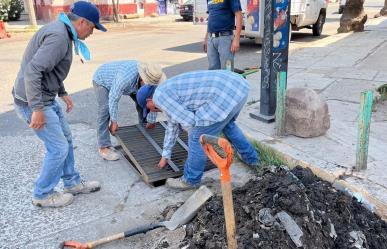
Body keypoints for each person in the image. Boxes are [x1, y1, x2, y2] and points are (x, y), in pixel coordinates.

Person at [12, 1, 106, 208]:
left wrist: (62, 92)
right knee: (58, 148)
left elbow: (50, 69)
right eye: (92, 27)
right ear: (82, 22)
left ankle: (72, 183)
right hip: (34, 101)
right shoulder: (59, 37)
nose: (92, 33)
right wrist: (37, 109)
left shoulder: (63, 31)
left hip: (44, 98)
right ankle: (42, 194)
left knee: (66, 140)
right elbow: (33, 71)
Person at [136, 70, 259, 190]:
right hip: (238, 87)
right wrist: (166, 155)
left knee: (196, 137)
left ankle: (191, 180)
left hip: (224, 95)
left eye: (150, 108)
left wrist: (192, 131)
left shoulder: (159, 98)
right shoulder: (166, 89)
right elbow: (172, 126)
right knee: (228, 125)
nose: (153, 111)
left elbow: (190, 121)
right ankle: (252, 159)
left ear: (149, 100)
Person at [92, 60, 166, 161]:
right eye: (148, 84)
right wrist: (114, 121)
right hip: (103, 80)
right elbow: (113, 97)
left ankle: (144, 130)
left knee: (143, 102)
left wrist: (151, 120)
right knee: (105, 109)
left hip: (131, 85)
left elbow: (152, 100)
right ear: (141, 78)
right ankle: (104, 146)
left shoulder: (154, 77)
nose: (150, 86)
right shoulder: (125, 78)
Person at [203, 0, 243, 70]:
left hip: (225, 38)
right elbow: (211, 16)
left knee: (227, 69)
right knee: (213, 70)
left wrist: (236, 39)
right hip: (211, 39)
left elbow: (239, 15)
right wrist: (206, 38)